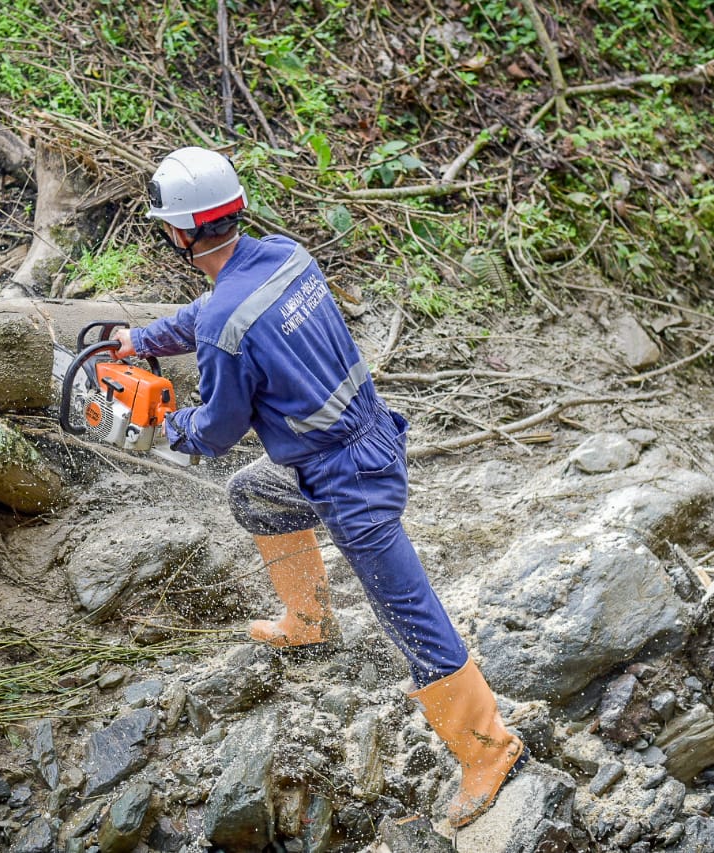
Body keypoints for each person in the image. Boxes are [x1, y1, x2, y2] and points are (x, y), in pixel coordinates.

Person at [110, 147, 526, 828]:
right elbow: (211, 316)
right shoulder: (283, 253)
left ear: (180, 232)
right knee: (254, 492)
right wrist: (142, 339)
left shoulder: (226, 322)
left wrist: (161, 419)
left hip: (350, 478)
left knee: (409, 616)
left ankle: (488, 748)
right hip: (350, 446)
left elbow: (213, 432)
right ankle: (309, 620)